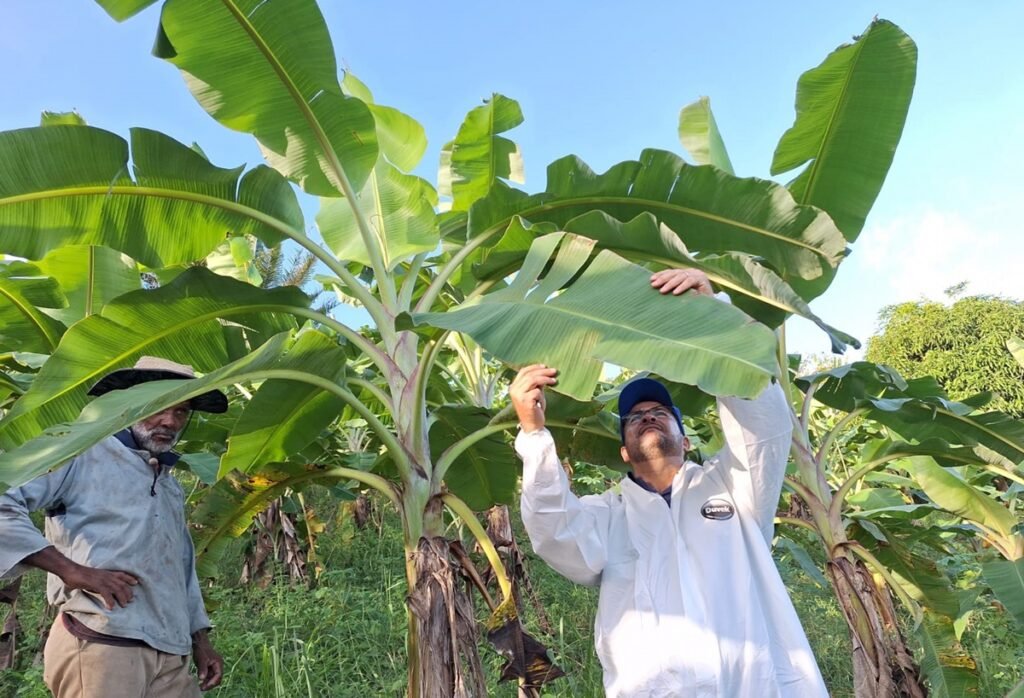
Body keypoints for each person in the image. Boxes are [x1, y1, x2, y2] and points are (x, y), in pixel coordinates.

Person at [509, 269, 827, 697]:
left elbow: (763, 427)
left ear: (686, 438)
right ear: (623, 451)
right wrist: (533, 434)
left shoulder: (734, 486)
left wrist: (715, 319)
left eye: (661, 412)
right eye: (635, 417)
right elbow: (553, 530)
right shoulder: (607, 515)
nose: (648, 416)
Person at [0, 357, 228, 697]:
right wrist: (72, 570)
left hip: (169, 651)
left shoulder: (168, 483)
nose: (170, 420)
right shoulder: (81, 455)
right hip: (101, 640)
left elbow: (181, 566)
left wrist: (200, 639)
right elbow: (4, 503)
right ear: (129, 402)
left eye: (181, 411)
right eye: (160, 406)